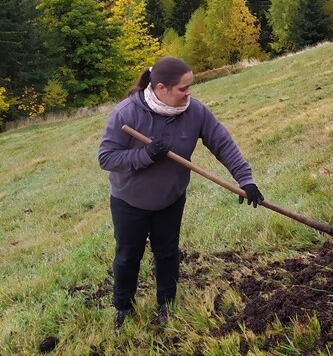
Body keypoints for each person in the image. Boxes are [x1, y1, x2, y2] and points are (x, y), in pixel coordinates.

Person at [98, 56, 264, 329]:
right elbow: (106, 157)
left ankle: (166, 303)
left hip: (170, 199)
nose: (189, 93)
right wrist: (145, 155)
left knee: (167, 253)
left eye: (190, 86)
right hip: (130, 202)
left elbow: (223, 144)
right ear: (161, 88)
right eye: (183, 88)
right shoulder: (126, 113)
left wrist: (245, 180)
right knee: (127, 256)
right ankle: (123, 307)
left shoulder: (195, 112)